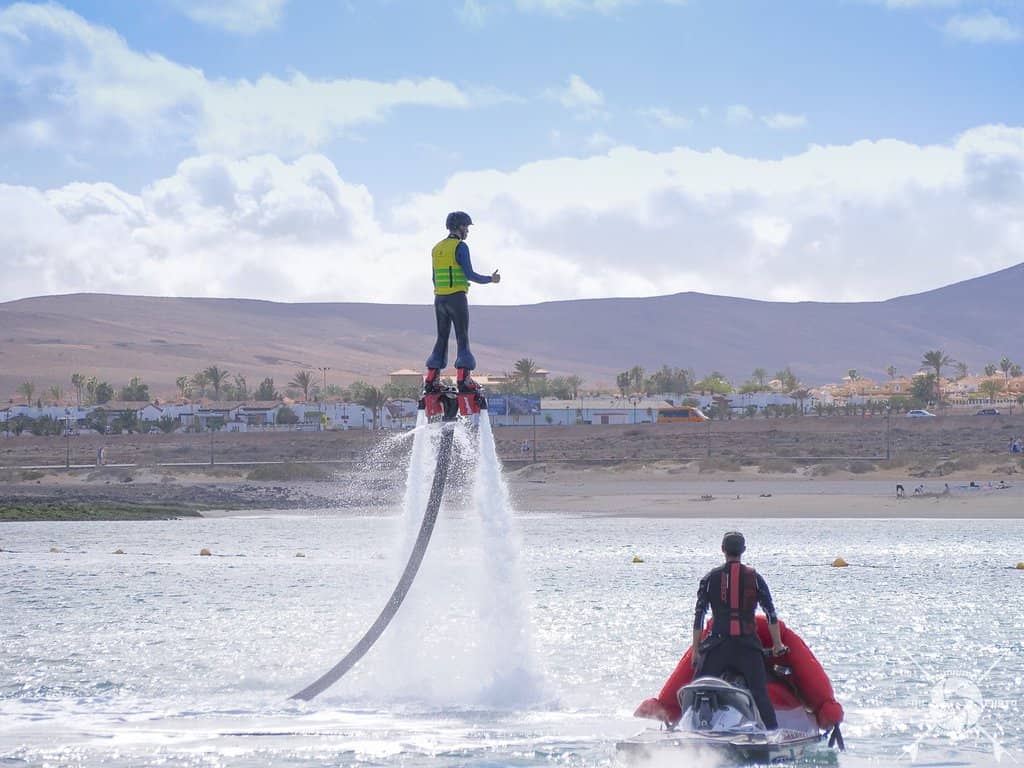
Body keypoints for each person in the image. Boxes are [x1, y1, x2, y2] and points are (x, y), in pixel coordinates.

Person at [691, 531, 787, 730]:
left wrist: (696, 649)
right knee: (760, 695)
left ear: (722, 550)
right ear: (743, 550)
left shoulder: (710, 578)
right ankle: (773, 734)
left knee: (699, 690)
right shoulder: (755, 578)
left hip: (717, 647)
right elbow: (771, 614)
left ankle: (692, 730)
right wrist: (777, 644)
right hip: (748, 648)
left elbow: (699, 616)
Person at [423, 211, 500, 394]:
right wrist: (491, 279)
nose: (467, 230)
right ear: (459, 227)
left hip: (439, 298)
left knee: (442, 337)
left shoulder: (437, 248)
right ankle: (463, 378)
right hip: (456, 297)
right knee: (462, 337)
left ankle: (432, 378)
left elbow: (434, 277)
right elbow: (469, 274)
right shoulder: (460, 246)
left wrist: (440, 293)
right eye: (466, 226)